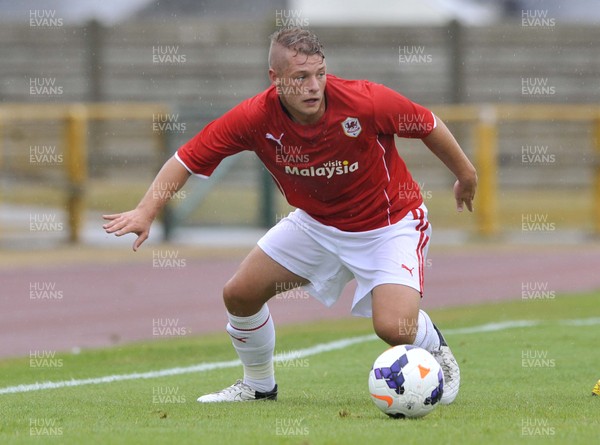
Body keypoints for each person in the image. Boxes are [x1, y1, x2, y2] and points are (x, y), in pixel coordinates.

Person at [103, 27, 477, 405]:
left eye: (320, 73)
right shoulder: (254, 117)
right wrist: (145, 210)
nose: (314, 86)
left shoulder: (365, 101)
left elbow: (427, 124)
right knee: (240, 294)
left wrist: (466, 175)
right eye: (300, 77)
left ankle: (438, 351)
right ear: (276, 79)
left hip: (389, 224)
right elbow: (187, 158)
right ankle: (259, 386)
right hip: (317, 224)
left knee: (394, 328)